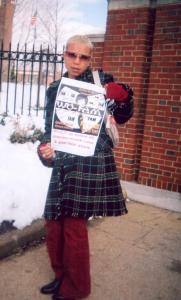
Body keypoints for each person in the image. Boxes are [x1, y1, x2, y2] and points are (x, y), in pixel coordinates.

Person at [37, 35, 134, 300]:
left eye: (84, 57)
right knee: (53, 222)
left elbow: (123, 113)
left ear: (91, 59)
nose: (77, 61)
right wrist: (45, 149)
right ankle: (61, 277)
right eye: (72, 55)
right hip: (63, 162)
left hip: (89, 162)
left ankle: (78, 287)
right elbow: (50, 129)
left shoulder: (101, 81)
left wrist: (122, 96)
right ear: (64, 55)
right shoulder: (55, 88)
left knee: (74, 225)